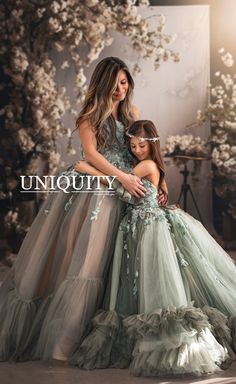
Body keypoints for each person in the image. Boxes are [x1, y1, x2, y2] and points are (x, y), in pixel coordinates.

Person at [0, 57, 168, 362]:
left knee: (120, 256)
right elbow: (91, 154)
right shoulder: (89, 116)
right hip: (95, 185)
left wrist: (153, 178)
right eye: (114, 82)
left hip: (126, 184)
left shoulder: (133, 114)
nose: (120, 89)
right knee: (86, 255)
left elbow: (143, 150)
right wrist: (122, 178)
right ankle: (65, 339)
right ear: (101, 83)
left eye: (124, 82)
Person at [73, 120, 236, 377]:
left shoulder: (147, 165)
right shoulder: (144, 163)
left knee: (157, 276)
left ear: (152, 144)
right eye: (132, 145)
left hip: (149, 226)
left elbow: (120, 184)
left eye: (142, 145)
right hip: (137, 226)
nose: (137, 149)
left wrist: (87, 168)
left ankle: (169, 341)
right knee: (138, 279)